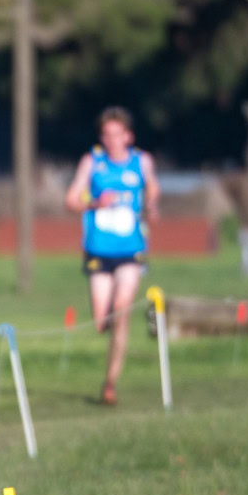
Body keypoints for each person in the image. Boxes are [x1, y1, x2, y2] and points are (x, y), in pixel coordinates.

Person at [64, 107, 160, 406]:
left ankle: (110, 383)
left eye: (118, 134)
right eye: (107, 134)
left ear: (128, 136)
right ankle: (111, 333)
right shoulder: (91, 162)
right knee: (100, 321)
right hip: (97, 249)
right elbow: (71, 200)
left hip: (131, 249)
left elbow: (153, 188)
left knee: (122, 310)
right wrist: (94, 202)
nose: (112, 140)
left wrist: (152, 205)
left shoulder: (141, 161)